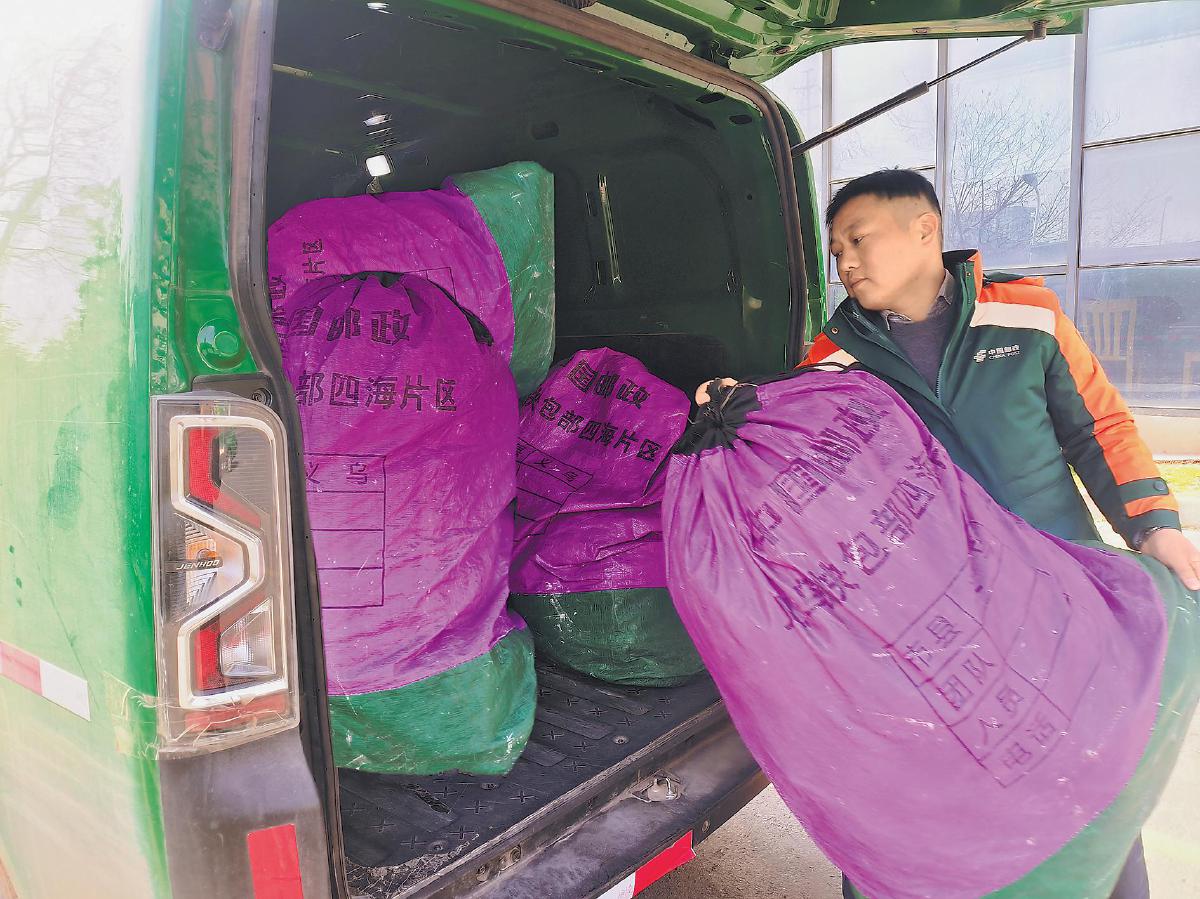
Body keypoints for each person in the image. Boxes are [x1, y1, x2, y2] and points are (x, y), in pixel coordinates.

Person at [697, 168, 1200, 898]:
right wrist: (733, 406)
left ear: (924, 229)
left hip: (1059, 601)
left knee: (1087, 785)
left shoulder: (1027, 316)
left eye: (858, 240)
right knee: (917, 800)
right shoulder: (833, 359)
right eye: (836, 251)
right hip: (935, 622)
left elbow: (1099, 428)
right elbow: (794, 446)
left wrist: (1155, 526)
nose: (845, 263)